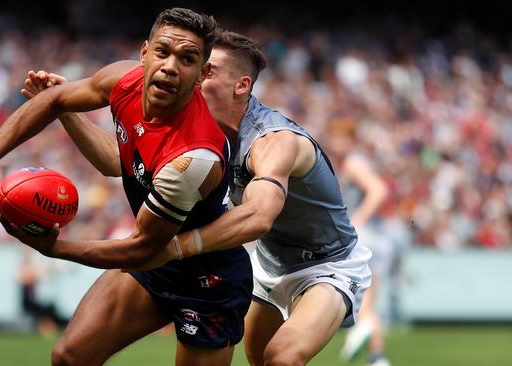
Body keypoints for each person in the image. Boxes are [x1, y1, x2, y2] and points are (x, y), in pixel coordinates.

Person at [26, 31, 372, 366]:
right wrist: (64, 110)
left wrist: (174, 247)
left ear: (241, 85)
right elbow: (116, 162)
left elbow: (258, 216)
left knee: (280, 358)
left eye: (210, 71)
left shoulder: (275, 141)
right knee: (257, 359)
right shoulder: (197, 126)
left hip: (327, 265)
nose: (196, 77)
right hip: (269, 261)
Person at [0, 8, 252, 366]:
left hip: (208, 280)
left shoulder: (193, 158)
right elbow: (61, 105)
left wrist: (55, 248)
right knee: (70, 358)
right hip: (155, 264)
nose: (170, 66)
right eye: (163, 52)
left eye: (187, 59)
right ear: (144, 53)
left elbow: (141, 249)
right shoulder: (125, 79)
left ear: (201, 74)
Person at [325, 121, 394, 366]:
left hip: (366, 238)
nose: (334, 144)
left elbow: (378, 190)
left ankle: (359, 331)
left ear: (350, 140)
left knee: (360, 302)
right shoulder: (353, 162)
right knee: (368, 304)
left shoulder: (354, 162)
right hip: (377, 238)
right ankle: (378, 358)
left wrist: (357, 222)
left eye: (339, 138)